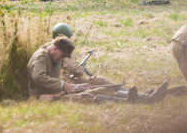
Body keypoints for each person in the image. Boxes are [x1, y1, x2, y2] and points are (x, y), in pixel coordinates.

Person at [27, 36, 167, 103]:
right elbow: (39, 78)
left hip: (54, 92)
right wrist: (63, 85)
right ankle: (134, 100)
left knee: (92, 87)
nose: (63, 59)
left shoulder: (55, 56)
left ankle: (144, 97)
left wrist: (71, 86)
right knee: (88, 95)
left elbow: (55, 80)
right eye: (62, 56)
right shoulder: (41, 57)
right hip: (42, 96)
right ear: (55, 48)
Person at [49, 22, 120, 88]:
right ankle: (121, 90)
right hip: (65, 82)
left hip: (61, 81)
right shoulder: (62, 49)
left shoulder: (52, 47)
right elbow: (75, 70)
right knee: (99, 81)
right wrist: (81, 69)